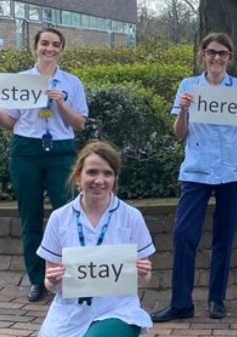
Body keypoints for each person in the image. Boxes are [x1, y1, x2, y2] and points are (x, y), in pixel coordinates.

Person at [152, 32, 237, 322]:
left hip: (233, 170)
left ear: (230, 58)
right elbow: (179, 133)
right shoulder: (189, 86)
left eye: (223, 53)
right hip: (197, 169)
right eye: (211, 52)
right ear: (203, 54)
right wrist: (184, 110)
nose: (217, 58)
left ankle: (216, 299)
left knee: (224, 237)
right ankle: (181, 303)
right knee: (184, 235)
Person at [0, 27, 89, 302]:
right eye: (44, 43)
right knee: (30, 217)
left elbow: (79, 125)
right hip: (26, 150)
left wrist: (62, 104)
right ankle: (36, 280)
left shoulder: (71, 82)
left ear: (62, 49)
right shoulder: (21, 81)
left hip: (61, 150)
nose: (49, 49)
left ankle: (69, 277)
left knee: (66, 215)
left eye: (55, 44)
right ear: (35, 47)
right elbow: (10, 122)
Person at [37, 141, 155, 337]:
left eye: (107, 173)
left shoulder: (131, 217)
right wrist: (53, 280)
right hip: (70, 312)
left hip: (117, 310)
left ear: (115, 179)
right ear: (78, 177)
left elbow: (145, 280)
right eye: (92, 172)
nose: (99, 180)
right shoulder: (59, 218)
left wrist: (143, 274)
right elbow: (50, 284)